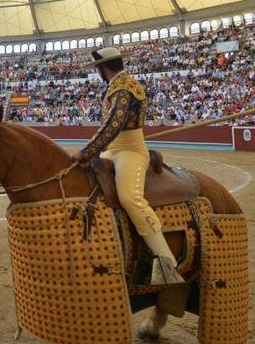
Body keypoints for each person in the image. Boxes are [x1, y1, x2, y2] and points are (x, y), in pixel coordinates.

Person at [71, 47, 184, 285]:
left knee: (130, 198)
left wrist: (86, 151)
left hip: (131, 151)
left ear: (103, 68)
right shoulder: (116, 86)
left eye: (97, 69)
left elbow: (113, 125)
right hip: (113, 150)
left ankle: (167, 264)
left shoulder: (125, 88)